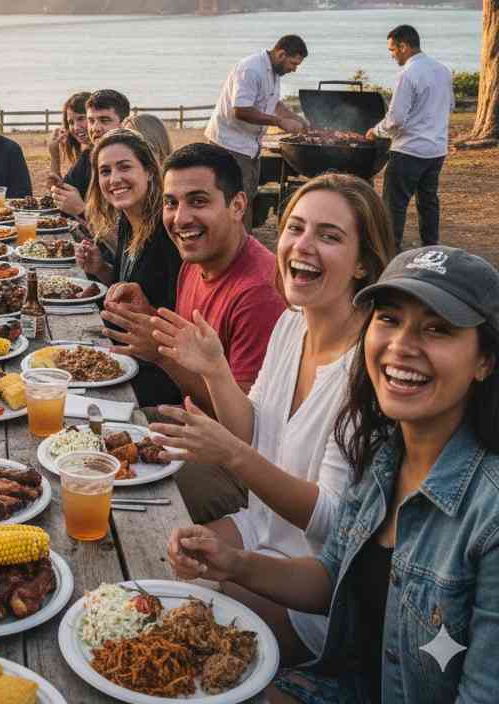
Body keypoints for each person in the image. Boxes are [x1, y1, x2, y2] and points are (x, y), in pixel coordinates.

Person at [168, 246, 499, 704]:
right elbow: (331, 579)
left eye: (437, 329)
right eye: (389, 319)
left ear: (485, 360)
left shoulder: (489, 514)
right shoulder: (382, 456)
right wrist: (233, 563)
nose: (402, 345)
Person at [149, 173, 393, 665]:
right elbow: (253, 432)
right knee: (151, 571)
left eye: (329, 236)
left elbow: (329, 521)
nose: (303, 246)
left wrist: (232, 455)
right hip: (256, 527)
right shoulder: (291, 322)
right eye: (295, 228)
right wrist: (216, 370)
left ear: (364, 262)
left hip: (315, 583)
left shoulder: (370, 371)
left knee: (174, 637)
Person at [102, 142, 286, 521]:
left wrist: (160, 354)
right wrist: (150, 314)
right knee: (78, 442)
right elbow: (192, 348)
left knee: (105, 492)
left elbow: (247, 430)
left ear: (237, 206)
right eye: (171, 203)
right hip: (187, 424)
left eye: (198, 201)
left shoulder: (258, 293)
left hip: (237, 472)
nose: (180, 218)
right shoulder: (196, 259)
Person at [75, 129, 182, 406]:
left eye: (125, 167)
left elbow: (176, 313)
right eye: (105, 171)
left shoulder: (168, 231)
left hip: (158, 376)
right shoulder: (126, 221)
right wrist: (101, 270)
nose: (114, 179)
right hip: (124, 354)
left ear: (148, 171)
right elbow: (130, 290)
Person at [205, 35, 309, 227]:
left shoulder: (275, 72)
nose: (294, 69)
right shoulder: (250, 69)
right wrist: (280, 122)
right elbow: (241, 110)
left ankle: (243, 241)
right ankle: (237, 245)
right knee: (236, 199)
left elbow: (274, 102)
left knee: (247, 195)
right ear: (281, 54)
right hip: (230, 143)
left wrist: (294, 117)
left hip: (250, 144)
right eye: (293, 63)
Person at [365, 24, 454, 248]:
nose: (392, 55)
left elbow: (396, 118)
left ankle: (390, 249)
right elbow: (450, 105)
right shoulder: (442, 70)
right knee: (428, 202)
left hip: (409, 150)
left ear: (404, 46)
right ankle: (430, 247)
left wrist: (375, 131)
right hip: (436, 150)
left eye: (392, 50)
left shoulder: (408, 73)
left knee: (394, 205)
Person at [51, 88, 131, 216]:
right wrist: (55, 156)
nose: (95, 128)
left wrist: (81, 209)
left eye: (104, 120)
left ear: (124, 123)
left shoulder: (133, 162)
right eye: (91, 121)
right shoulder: (88, 157)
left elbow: (122, 232)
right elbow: (62, 200)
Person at [47, 90, 91, 192]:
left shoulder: (97, 155)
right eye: (71, 122)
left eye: (81, 118)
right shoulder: (86, 157)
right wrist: (55, 155)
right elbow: (60, 194)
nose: (75, 127)